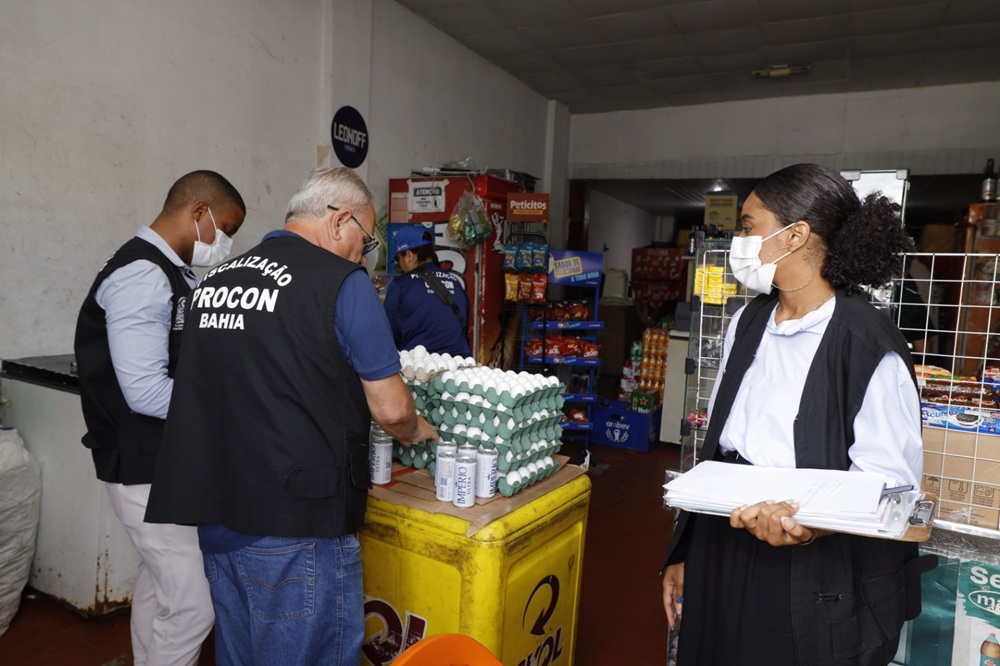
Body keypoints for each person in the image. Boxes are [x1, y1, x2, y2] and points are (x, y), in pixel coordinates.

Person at [144, 167, 439, 665]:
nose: (361, 257)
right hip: (297, 527)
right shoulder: (342, 284)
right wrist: (418, 429)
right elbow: (391, 409)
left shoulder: (213, 282)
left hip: (217, 519)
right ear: (341, 221)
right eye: (365, 243)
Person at [660, 164, 933, 666]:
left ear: (796, 235)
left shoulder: (865, 343)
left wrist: (807, 523)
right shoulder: (749, 320)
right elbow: (718, 444)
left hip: (806, 567)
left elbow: (892, 488)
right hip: (726, 534)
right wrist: (686, 552)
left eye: (748, 226)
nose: (739, 239)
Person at [74, 170, 246, 666]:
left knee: (160, 583)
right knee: (194, 603)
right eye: (226, 228)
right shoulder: (143, 273)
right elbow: (146, 391)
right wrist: (230, 412)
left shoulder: (169, 271)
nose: (226, 243)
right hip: (141, 463)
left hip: (161, 461)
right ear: (199, 213)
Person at [383, 224, 471, 357]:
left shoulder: (400, 286)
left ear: (408, 255)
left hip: (418, 368)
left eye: (397, 259)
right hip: (458, 366)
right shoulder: (456, 283)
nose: (399, 265)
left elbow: (388, 335)